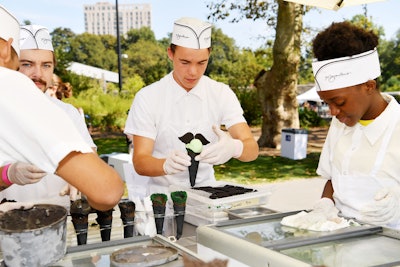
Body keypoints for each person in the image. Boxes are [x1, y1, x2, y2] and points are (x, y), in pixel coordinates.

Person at [0, 4, 124, 211]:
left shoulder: (66, 113)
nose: (37, 74)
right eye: (26, 64)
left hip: (60, 218)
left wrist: (79, 180)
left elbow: (90, 156)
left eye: (46, 65)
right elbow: (107, 191)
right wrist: (8, 174)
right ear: (7, 50)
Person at [124, 17, 259, 195]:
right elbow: (140, 161)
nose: (193, 72)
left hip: (207, 195)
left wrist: (235, 147)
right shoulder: (148, 97)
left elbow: (252, 149)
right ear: (170, 54)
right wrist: (164, 165)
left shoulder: (221, 93)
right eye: (185, 62)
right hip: (161, 199)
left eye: (201, 63)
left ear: (209, 57)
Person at [312, 21, 400, 229]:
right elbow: (334, 179)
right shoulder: (339, 124)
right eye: (327, 103)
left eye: (339, 102)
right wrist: (325, 204)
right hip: (342, 244)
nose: (332, 112)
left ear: (369, 86)